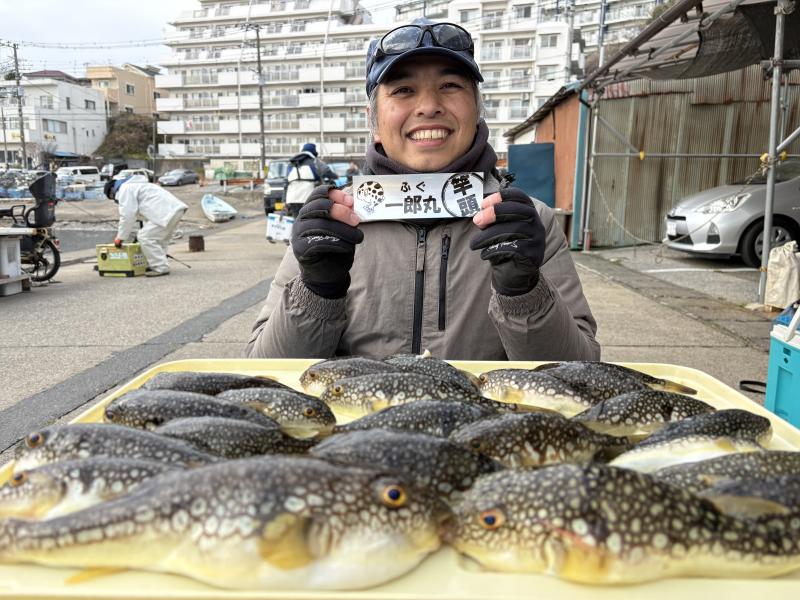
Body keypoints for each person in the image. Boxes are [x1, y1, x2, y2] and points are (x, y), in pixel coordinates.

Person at [246, 17, 599, 361]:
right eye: (403, 90)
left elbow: (579, 371)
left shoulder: (531, 223)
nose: (429, 107)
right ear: (373, 120)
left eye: (450, 86)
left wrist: (525, 293)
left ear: (477, 109)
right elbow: (265, 366)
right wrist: (316, 290)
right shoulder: (334, 223)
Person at [104, 175, 188, 277]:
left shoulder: (125, 189)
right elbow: (146, 212)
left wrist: (120, 238)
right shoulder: (138, 185)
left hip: (164, 213)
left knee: (144, 237)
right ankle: (158, 264)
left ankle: (160, 267)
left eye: (112, 197)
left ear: (112, 191)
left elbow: (127, 215)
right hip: (175, 210)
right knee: (160, 240)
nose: (115, 200)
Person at [283, 143, 336, 217]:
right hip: (309, 197)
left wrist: (284, 201)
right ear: (313, 152)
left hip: (292, 198)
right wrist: (335, 176)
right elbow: (326, 171)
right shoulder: (314, 161)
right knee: (310, 219)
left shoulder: (291, 164)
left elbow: (285, 183)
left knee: (297, 219)